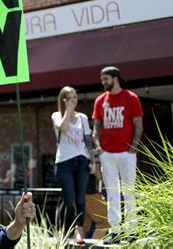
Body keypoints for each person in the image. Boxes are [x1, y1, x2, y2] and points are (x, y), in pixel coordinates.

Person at [92, 66, 143, 245]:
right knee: (112, 193)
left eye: (106, 79)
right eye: (102, 79)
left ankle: (132, 231)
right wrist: (99, 149)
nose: (103, 82)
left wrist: (132, 149)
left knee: (129, 192)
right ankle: (115, 232)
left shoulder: (131, 98)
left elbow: (138, 125)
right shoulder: (100, 100)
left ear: (116, 78)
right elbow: (96, 127)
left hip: (127, 153)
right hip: (107, 154)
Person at [52, 86, 95, 244]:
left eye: (75, 98)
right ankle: (62, 232)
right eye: (70, 98)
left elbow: (88, 140)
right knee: (68, 199)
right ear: (63, 100)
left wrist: (93, 161)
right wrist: (68, 110)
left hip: (82, 161)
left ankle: (79, 232)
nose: (73, 101)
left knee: (80, 199)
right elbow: (62, 128)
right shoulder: (57, 115)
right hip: (64, 162)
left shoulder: (83, 117)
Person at [82, 159, 110, 240]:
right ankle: (94, 246)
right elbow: (98, 175)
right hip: (91, 195)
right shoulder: (93, 157)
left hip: (79, 195)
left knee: (82, 225)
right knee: (105, 221)